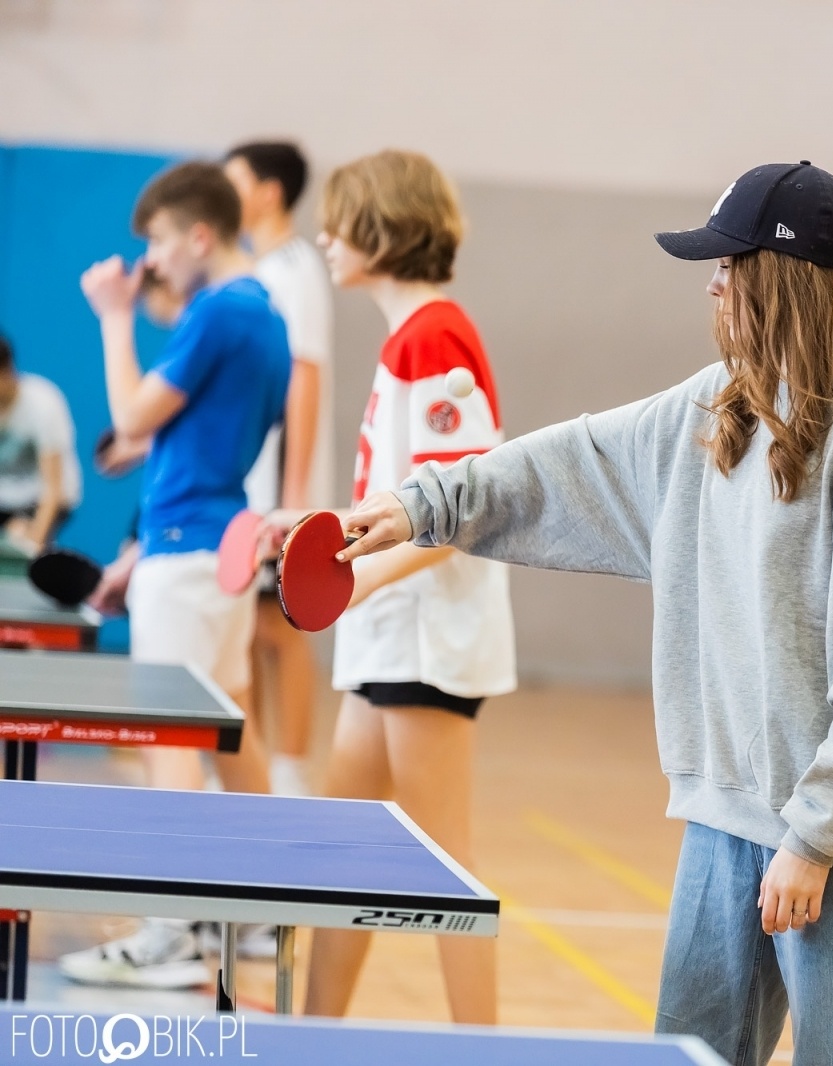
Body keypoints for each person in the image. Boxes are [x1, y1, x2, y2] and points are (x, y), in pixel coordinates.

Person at [338, 161, 833, 1065]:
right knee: (690, 1052)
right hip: (724, 820)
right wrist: (418, 505)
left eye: (728, 263)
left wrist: (816, 841)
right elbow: (570, 462)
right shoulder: (720, 405)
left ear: (779, 279)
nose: (712, 281)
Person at [291, 150, 515, 1025]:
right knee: (346, 856)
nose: (325, 238)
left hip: (426, 641)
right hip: (386, 634)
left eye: (339, 221)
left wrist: (346, 585)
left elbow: (456, 511)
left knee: (442, 869)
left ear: (381, 229)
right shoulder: (406, 339)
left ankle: (485, 1048)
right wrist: (319, 533)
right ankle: (310, 1036)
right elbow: (397, 503)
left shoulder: (435, 337)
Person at [63, 160, 292, 988]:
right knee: (228, 729)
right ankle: (263, 907)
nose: (150, 261)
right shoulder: (266, 318)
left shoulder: (216, 312)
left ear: (199, 235)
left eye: (157, 242)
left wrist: (116, 316)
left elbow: (129, 418)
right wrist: (136, 553)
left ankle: (168, 930)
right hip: (208, 550)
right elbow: (179, 446)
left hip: (192, 558)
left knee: (171, 736)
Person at [225, 140, 336, 798]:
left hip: (279, 489)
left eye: (233, 177)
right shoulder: (258, 268)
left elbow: (306, 375)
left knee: (282, 630)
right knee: (249, 630)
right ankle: (256, 771)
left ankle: (290, 774)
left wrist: (293, 497)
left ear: (267, 190)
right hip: (249, 484)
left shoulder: (295, 269)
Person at [0, 331, 82, 550]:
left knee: (21, 538)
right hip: (4, 498)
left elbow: (53, 490)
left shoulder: (43, 403)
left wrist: (32, 546)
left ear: (7, 372)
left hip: (46, 497)